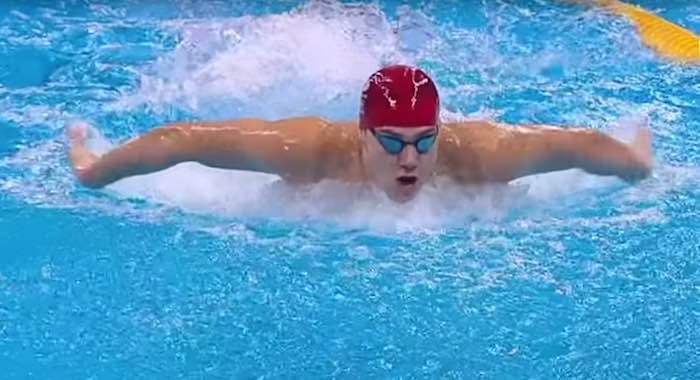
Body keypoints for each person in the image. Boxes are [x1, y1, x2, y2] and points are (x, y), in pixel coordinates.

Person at [67, 64, 652, 203]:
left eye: (424, 140)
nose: (411, 158)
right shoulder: (308, 151)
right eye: (393, 140)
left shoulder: (480, 156)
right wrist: (96, 171)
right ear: (362, 133)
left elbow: (579, 144)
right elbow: (184, 139)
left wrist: (637, 162)